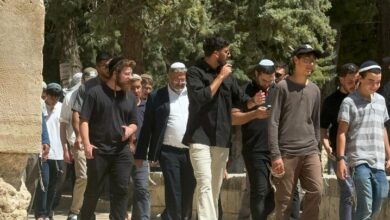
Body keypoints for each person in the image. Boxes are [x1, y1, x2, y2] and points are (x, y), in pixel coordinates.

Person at [182, 36, 262, 220]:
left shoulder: (228, 75)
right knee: (204, 183)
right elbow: (202, 97)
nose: (229, 54)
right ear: (216, 53)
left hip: (222, 138)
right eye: (226, 51)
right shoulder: (195, 72)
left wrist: (253, 102)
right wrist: (220, 77)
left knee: (214, 187)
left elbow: (241, 101)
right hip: (199, 137)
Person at [135, 62, 196, 220]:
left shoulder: (194, 94)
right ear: (169, 77)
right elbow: (147, 127)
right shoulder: (157, 96)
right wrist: (141, 155)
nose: (180, 82)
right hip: (168, 152)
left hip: (191, 151)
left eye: (183, 79)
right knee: (173, 190)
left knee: (189, 189)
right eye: (176, 79)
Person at [268, 44, 323, 220]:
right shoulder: (282, 87)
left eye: (312, 61)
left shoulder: (315, 90)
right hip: (287, 153)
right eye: (306, 60)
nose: (310, 64)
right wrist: (276, 154)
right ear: (295, 60)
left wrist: (317, 149)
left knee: (317, 190)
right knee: (284, 202)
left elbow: (315, 123)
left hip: (310, 151)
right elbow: (273, 122)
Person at [79, 58, 138, 220]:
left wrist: (130, 129)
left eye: (131, 73)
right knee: (93, 191)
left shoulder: (130, 96)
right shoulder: (95, 93)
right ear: (115, 73)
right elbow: (84, 120)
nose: (130, 77)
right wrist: (87, 144)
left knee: (122, 190)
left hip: (121, 152)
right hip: (98, 151)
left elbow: (134, 122)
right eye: (127, 74)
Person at [336, 60, 390, 219]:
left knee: (378, 201)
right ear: (360, 78)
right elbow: (341, 133)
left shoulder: (380, 100)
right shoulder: (349, 102)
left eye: (378, 82)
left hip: (379, 161)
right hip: (359, 161)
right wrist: (340, 159)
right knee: (365, 206)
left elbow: (383, 129)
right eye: (371, 82)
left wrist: (389, 155)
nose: (375, 85)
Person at [231, 59, 274, 219]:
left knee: (279, 194)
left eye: (271, 80)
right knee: (259, 191)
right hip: (254, 149)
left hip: (277, 149)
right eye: (264, 80)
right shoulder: (244, 91)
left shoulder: (278, 90)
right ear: (256, 74)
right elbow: (233, 118)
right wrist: (254, 112)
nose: (267, 84)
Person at [320, 63, 358, 220]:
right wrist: (328, 147)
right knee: (348, 192)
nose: (354, 85)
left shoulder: (362, 97)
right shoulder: (331, 101)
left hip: (360, 152)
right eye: (350, 82)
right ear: (341, 79)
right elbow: (322, 128)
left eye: (357, 81)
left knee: (361, 193)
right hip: (340, 154)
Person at [60, 68, 97, 220]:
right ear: (82, 81)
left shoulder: (98, 95)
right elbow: (64, 123)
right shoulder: (71, 97)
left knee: (95, 178)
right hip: (78, 142)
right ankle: (75, 211)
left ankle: (88, 211)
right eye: (88, 82)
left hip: (96, 142)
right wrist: (65, 148)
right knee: (83, 177)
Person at [34, 83, 65, 220]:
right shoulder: (40, 107)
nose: (54, 100)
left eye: (57, 97)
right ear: (46, 94)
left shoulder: (62, 108)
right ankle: (40, 213)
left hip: (59, 152)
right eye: (52, 96)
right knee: (44, 182)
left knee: (55, 184)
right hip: (44, 152)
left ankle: (48, 211)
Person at [127, 73, 150, 220]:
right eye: (133, 88)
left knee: (142, 188)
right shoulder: (121, 105)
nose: (136, 91)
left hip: (141, 154)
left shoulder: (147, 107)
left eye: (138, 87)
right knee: (123, 188)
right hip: (123, 154)